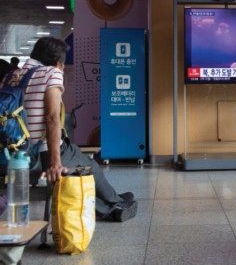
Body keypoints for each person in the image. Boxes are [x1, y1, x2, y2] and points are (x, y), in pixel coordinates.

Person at [0, 37, 138, 222]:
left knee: (76, 167)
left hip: (11, 156)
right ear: (58, 62)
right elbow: (52, 118)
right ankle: (116, 203)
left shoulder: (10, 76)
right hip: (39, 153)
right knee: (89, 166)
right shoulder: (51, 72)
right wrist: (55, 162)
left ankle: (113, 207)